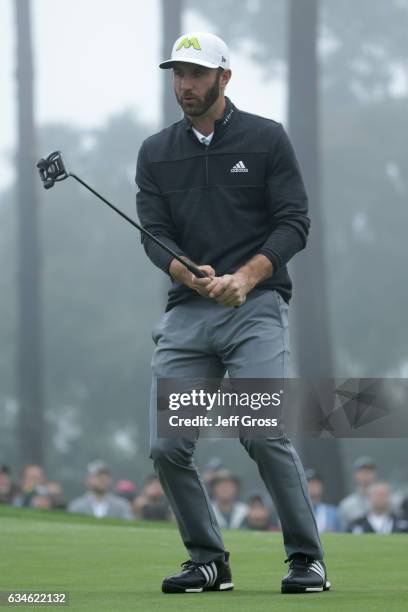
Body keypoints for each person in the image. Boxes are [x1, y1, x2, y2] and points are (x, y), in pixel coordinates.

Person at [136, 31, 330, 595]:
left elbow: (294, 222)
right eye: (178, 74)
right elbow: (155, 234)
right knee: (167, 446)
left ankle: (305, 559)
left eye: (196, 74)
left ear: (224, 77)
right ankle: (207, 561)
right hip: (188, 314)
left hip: (256, 308)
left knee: (261, 428)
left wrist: (245, 278)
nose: (184, 86)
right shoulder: (156, 151)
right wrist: (184, 269)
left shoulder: (266, 139)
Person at [68, 460, 134, 520]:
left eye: (105, 476)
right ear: (88, 479)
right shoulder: (77, 506)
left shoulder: (122, 506)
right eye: (98, 476)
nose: (102, 479)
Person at [338, 456, 377, 529]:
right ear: (355, 475)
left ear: (374, 474)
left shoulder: (386, 501)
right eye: (362, 472)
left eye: (368, 472)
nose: (365, 475)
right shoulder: (347, 505)